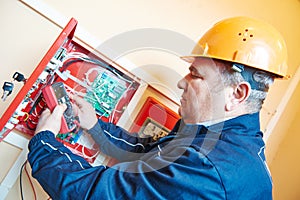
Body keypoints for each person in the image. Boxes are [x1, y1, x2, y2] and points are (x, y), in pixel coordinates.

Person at [28, 16, 289, 199]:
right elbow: (146, 152)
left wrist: (44, 141)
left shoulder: (212, 169)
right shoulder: (205, 130)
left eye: (195, 75)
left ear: (237, 93)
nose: (180, 82)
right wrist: (94, 126)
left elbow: (96, 193)